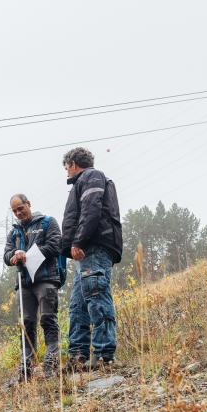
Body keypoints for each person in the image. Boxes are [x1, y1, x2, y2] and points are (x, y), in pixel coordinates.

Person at [60, 147, 123, 369]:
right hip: (83, 254)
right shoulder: (81, 182)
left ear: (74, 164)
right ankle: (78, 356)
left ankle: (104, 354)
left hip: (93, 248)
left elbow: (91, 210)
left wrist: (78, 241)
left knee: (96, 296)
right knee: (77, 305)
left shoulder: (91, 176)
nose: (66, 172)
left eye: (66, 168)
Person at [4, 194, 64, 377]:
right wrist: (14, 254)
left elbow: (56, 245)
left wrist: (27, 255)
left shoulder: (48, 222)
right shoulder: (13, 232)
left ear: (28, 204)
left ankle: (51, 364)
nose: (18, 213)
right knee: (27, 324)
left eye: (20, 208)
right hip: (24, 284)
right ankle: (27, 368)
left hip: (46, 279)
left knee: (48, 320)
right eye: (14, 211)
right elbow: (6, 256)